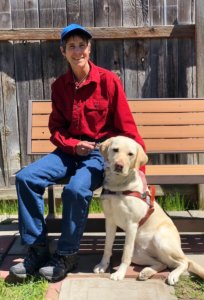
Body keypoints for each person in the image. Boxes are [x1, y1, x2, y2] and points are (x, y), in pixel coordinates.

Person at [10, 23, 145, 282]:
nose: (77, 51)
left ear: (89, 49)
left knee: (76, 190)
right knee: (26, 178)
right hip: (67, 152)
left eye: (82, 45)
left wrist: (140, 172)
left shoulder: (109, 81)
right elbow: (55, 129)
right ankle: (37, 250)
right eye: (71, 46)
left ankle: (67, 255)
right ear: (63, 51)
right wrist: (73, 146)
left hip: (99, 155)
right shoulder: (59, 86)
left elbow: (128, 129)